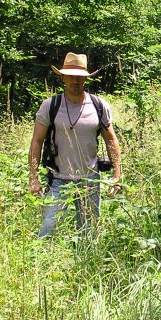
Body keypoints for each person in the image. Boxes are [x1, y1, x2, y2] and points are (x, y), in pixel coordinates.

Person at [28, 52, 122, 237]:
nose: (75, 81)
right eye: (71, 76)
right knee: (47, 231)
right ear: (63, 77)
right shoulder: (50, 106)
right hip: (58, 179)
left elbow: (111, 139)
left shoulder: (98, 105)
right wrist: (33, 176)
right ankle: (44, 265)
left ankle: (86, 266)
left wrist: (117, 174)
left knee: (89, 235)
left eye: (79, 77)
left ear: (86, 79)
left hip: (90, 180)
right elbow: (37, 141)